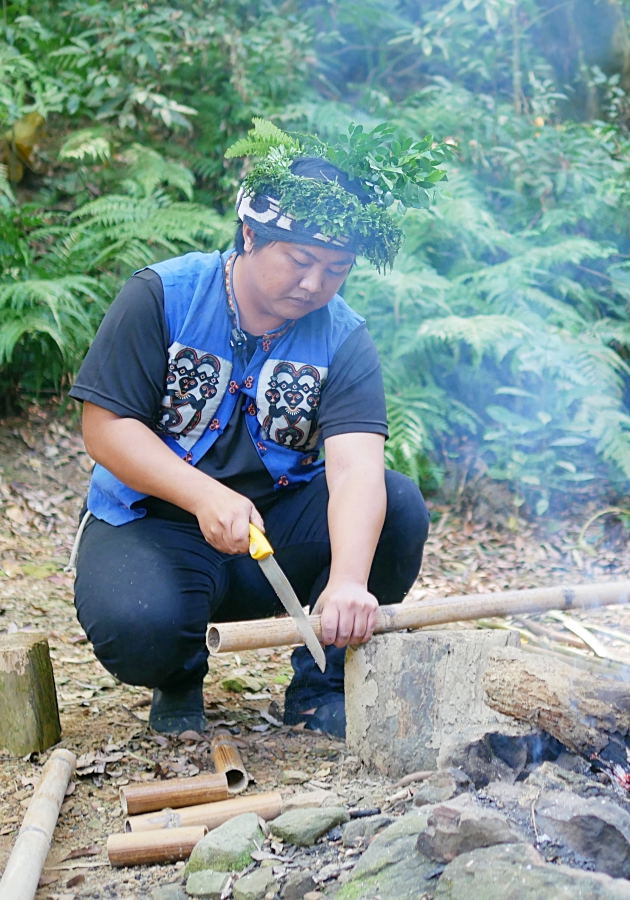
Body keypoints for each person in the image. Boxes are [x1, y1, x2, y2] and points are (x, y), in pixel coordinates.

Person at [69, 121, 431, 736]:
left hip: (281, 528)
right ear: (249, 234)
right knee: (140, 627)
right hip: (158, 524)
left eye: (336, 269)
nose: (315, 284)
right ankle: (178, 677)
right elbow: (106, 428)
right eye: (300, 260)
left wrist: (346, 582)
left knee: (397, 506)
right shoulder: (161, 297)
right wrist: (203, 494)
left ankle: (322, 684)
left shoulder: (343, 337)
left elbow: (355, 467)